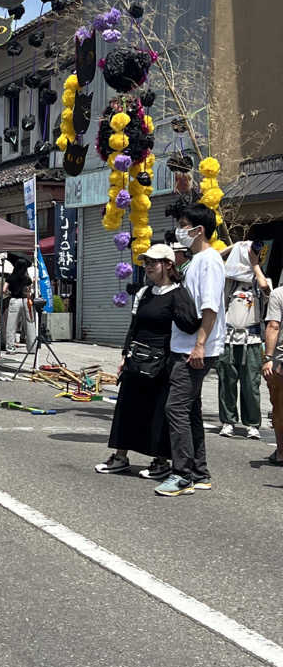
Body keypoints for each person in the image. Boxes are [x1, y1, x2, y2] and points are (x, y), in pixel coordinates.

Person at [96, 244, 200, 479]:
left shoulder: (178, 293)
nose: (148, 266)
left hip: (162, 361)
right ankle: (120, 457)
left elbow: (190, 325)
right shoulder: (144, 292)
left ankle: (160, 462)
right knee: (126, 407)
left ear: (168, 264)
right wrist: (124, 354)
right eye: (146, 262)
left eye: (153, 262)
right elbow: (134, 326)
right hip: (137, 357)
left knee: (157, 411)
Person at [156, 204, 226, 497]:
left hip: (195, 349)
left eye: (184, 225)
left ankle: (182, 474)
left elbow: (210, 307)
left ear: (199, 230)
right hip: (185, 345)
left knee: (176, 408)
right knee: (190, 410)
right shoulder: (196, 260)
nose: (180, 230)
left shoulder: (209, 261)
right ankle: (199, 472)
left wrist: (199, 345)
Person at [216, 240, 270, 439]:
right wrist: (235, 246)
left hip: (252, 340)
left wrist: (255, 264)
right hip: (229, 338)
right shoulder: (228, 282)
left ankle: (252, 424)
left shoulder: (261, 280)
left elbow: (265, 288)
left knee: (251, 384)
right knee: (227, 382)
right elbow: (213, 260)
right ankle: (228, 421)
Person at [262, 282, 283, 466]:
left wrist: (268, 357)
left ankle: (281, 452)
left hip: (281, 361)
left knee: (279, 406)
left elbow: (274, 326)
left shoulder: (279, 294)